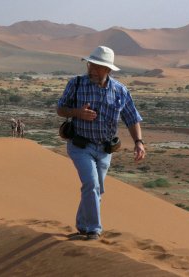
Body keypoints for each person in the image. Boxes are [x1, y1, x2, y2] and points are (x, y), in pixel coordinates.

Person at [57, 46, 146, 240]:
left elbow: (132, 118)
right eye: (92, 65)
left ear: (109, 70)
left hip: (105, 149)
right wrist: (77, 113)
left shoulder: (120, 91)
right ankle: (94, 230)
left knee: (98, 189)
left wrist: (138, 142)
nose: (93, 70)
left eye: (99, 67)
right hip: (80, 146)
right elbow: (60, 109)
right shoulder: (77, 84)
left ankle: (82, 225)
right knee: (91, 184)